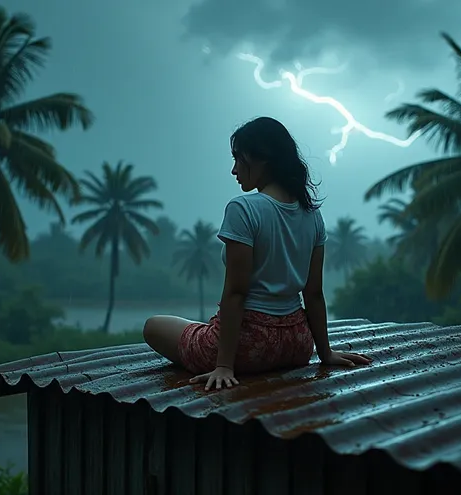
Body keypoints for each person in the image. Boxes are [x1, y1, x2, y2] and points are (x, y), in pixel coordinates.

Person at [143, 116, 372, 391]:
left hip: (248, 347)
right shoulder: (312, 215)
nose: (234, 170)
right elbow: (313, 293)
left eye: (238, 159)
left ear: (263, 158)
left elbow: (237, 292)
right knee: (192, 325)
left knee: (153, 326)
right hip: (297, 345)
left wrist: (224, 365)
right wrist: (325, 354)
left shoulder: (243, 209)